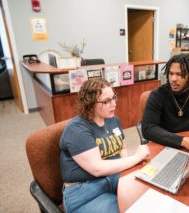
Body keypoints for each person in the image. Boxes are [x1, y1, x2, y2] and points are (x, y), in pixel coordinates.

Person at [60, 79, 149, 213]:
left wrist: (125, 173)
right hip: (85, 191)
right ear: (89, 103)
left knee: (147, 196)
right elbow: (97, 169)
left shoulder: (113, 120)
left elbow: (122, 148)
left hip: (113, 177)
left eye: (114, 97)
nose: (113, 104)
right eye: (106, 101)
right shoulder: (76, 129)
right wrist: (136, 158)